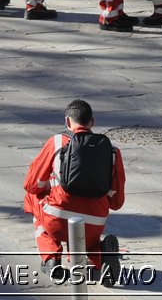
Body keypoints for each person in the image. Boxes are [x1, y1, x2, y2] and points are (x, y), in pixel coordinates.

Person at [21, 99, 126, 281]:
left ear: (67, 122)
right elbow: (116, 203)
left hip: (57, 219)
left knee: (33, 198)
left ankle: (51, 259)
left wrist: (50, 185)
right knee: (86, 232)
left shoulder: (57, 142)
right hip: (94, 222)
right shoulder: (113, 151)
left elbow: (32, 185)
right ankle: (100, 255)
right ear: (92, 122)